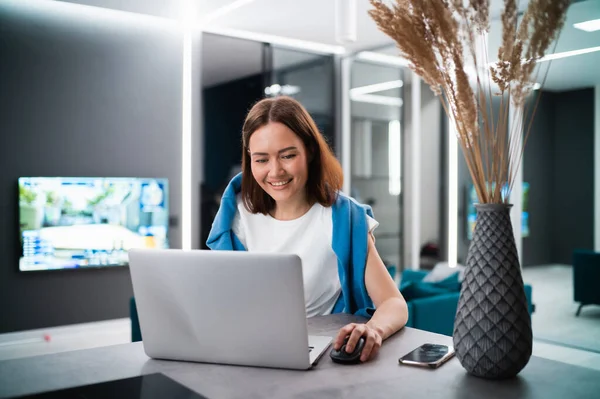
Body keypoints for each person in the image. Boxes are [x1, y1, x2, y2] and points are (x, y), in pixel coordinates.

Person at [207, 96, 408, 363]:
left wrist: (372, 329)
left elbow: (394, 303)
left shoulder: (344, 218)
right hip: (249, 351)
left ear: (310, 151)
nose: (275, 171)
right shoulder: (238, 213)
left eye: (288, 156)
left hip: (321, 353)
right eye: (261, 159)